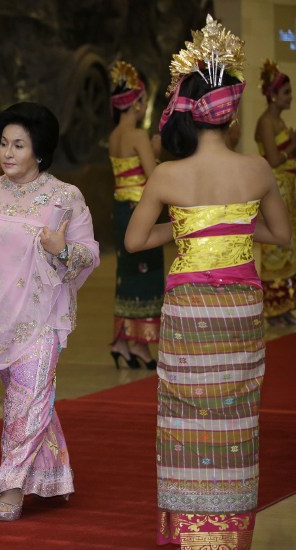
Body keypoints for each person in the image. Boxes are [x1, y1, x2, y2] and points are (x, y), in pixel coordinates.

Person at [125, 16, 291, 548]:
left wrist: (187, 227)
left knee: (183, 407)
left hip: (190, 305)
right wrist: (233, 228)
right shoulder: (258, 168)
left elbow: (133, 242)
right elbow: (281, 236)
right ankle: (231, 530)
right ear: (232, 111)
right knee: (238, 409)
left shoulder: (169, 176)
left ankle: (191, 527)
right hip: (240, 305)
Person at [0, 102, 100, 521]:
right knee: (32, 400)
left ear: (40, 151)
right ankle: (51, 476)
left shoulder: (65, 197)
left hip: (42, 316)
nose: (8, 153)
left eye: (19, 145)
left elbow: (89, 254)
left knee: (26, 401)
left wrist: (62, 249)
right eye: (3, 144)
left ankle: (11, 486)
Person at [107, 61, 164, 370]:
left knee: (127, 274)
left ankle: (122, 340)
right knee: (146, 273)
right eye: (142, 101)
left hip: (121, 210)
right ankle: (139, 344)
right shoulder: (139, 136)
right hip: (140, 210)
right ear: (137, 103)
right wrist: (155, 149)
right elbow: (153, 176)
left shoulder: (115, 135)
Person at [254, 58, 296, 326]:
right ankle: (273, 305)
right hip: (276, 187)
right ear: (272, 96)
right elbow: (271, 159)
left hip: (288, 187)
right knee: (275, 248)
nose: (291, 97)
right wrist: (293, 148)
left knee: (288, 246)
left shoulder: (279, 122)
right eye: (286, 93)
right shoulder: (266, 122)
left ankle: (285, 304)